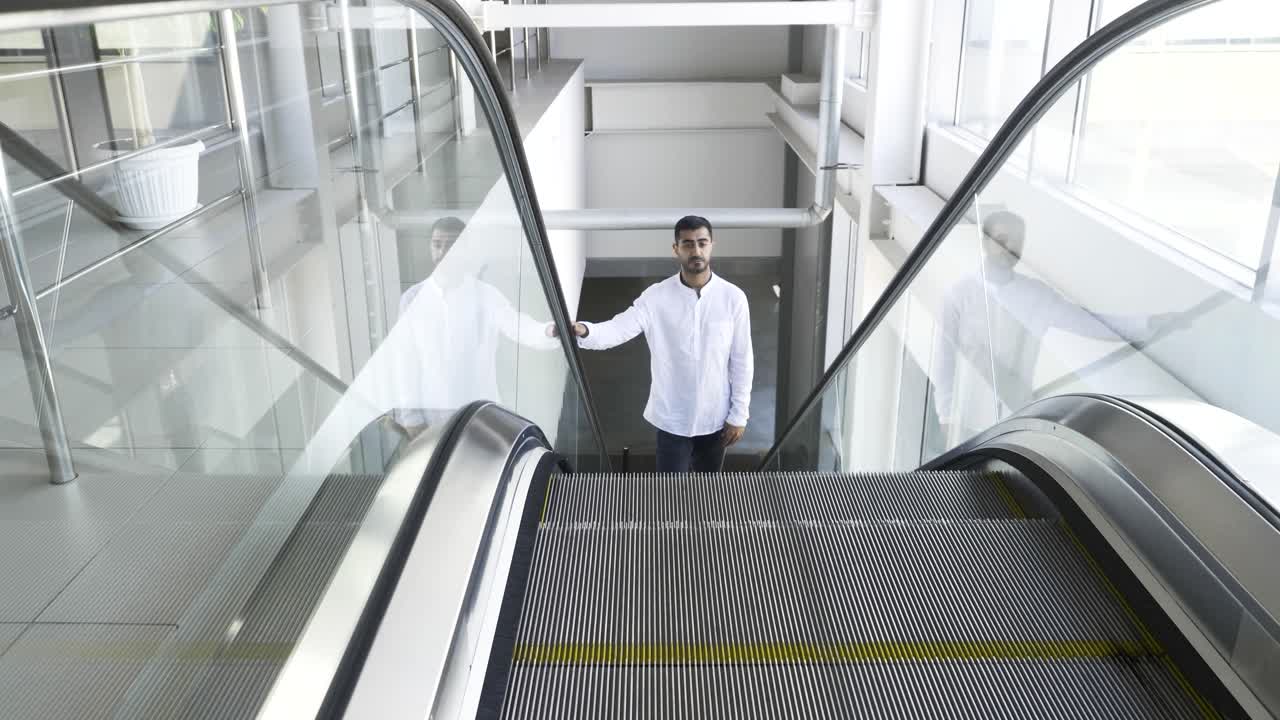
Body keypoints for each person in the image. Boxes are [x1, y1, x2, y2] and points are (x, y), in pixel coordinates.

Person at [928, 210, 1170, 450]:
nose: (1011, 248)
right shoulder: (959, 294)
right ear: (985, 242)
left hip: (1015, 419)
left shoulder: (1036, 294)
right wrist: (946, 414)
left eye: (1018, 241)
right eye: (1002, 240)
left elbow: (1089, 322)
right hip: (968, 418)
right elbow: (944, 358)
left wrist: (1147, 324)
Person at [559, 215, 754, 473]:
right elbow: (618, 328)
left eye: (702, 242)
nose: (696, 250)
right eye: (687, 244)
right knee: (668, 495)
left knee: (707, 494)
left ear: (711, 245)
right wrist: (583, 331)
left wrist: (739, 415)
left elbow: (742, 360)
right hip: (671, 419)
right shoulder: (656, 296)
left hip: (716, 418)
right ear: (676, 249)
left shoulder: (733, 298)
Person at [392, 216, 554, 432]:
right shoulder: (412, 299)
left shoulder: (486, 296)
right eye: (437, 245)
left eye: (450, 246)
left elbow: (519, 327)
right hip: (431, 419)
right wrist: (411, 419)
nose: (442, 253)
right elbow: (406, 362)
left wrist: (551, 331)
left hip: (480, 418)